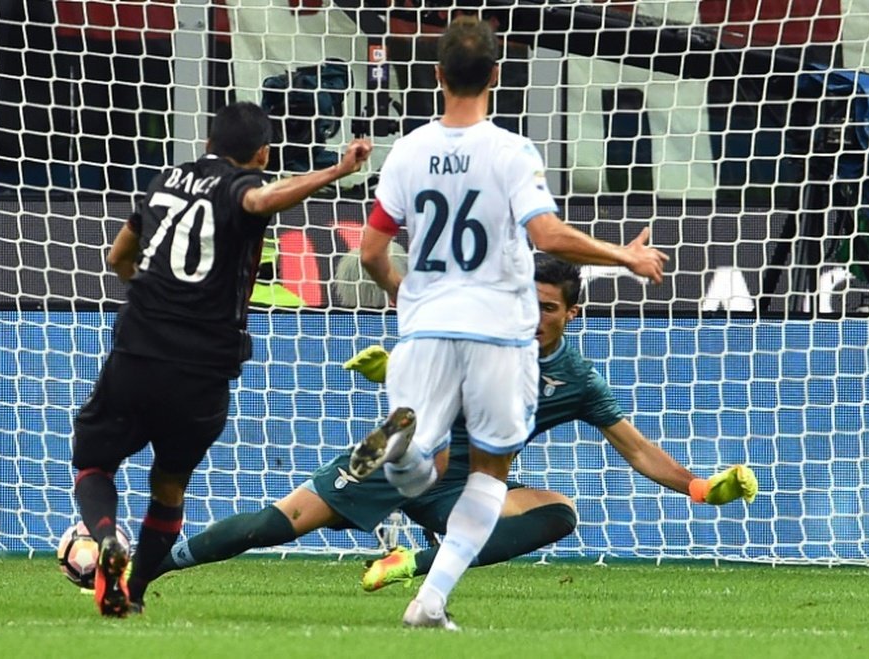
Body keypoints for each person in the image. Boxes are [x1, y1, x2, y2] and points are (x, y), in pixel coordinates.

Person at [147, 255, 757, 597]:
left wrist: (699, 488)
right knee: (270, 526)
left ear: (573, 312)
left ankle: (415, 561)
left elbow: (636, 448)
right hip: (398, 449)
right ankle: (147, 567)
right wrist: (392, 371)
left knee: (558, 512)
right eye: (527, 303)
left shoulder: (575, 378)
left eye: (548, 308)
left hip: (462, 490)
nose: (533, 317)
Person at [353, 15, 667, 629]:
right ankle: (430, 600)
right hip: (499, 332)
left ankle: (403, 457)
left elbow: (370, 252)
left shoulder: (408, 151)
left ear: (438, 75)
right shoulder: (511, 151)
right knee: (490, 472)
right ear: (497, 75)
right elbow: (546, 234)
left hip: (428, 325)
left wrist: (407, 297)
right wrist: (626, 256)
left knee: (421, 459)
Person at [69, 101, 371, 618]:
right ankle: (134, 591)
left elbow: (119, 257)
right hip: (204, 367)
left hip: (138, 348)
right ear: (262, 153)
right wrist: (339, 171)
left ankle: (104, 537)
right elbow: (259, 199)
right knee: (169, 485)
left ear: (209, 142)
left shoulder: (165, 182)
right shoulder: (243, 186)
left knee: (93, 464)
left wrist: (151, 299)